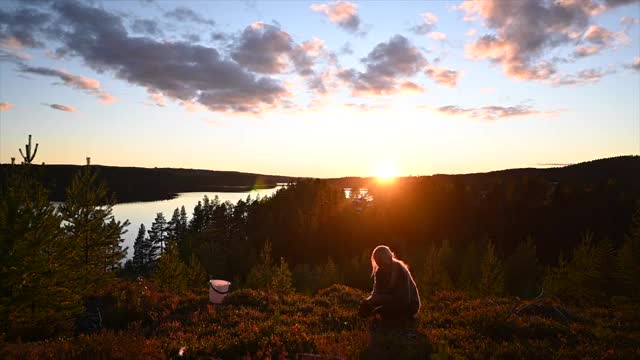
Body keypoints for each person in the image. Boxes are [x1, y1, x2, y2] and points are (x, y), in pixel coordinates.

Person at [359, 245, 420, 322]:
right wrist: (368, 301)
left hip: (410, 305)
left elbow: (404, 299)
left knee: (384, 313)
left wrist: (381, 300)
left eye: (381, 262)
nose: (380, 266)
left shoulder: (400, 270)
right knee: (368, 306)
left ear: (389, 258)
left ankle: (401, 318)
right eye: (378, 263)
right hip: (391, 302)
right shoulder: (379, 272)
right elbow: (376, 292)